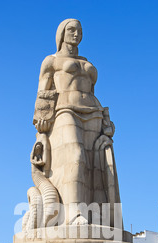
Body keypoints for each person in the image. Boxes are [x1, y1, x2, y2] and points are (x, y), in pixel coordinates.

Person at [32, 18, 121, 226]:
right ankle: (73, 214)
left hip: (93, 112)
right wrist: (42, 127)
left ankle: (97, 217)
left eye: (79, 30)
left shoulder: (86, 61)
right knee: (76, 155)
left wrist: (106, 120)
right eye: (71, 29)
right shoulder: (51, 61)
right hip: (65, 110)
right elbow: (42, 94)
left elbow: (92, 90)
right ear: (61, 33)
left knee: (96, 166)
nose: (76, 33)